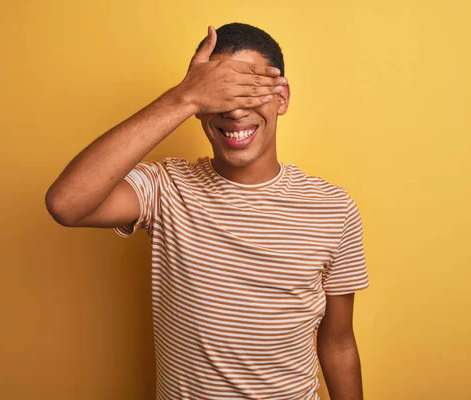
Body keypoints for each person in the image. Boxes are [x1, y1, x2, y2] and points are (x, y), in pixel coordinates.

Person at [45, 22, 370, 400]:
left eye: (249, 91)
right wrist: (182, 98)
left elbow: (339, 343)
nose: (234, 111)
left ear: (281, 98)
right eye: (218, 94)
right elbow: (67, 204)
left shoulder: (333, 208)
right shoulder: (166, 187)